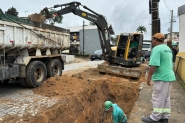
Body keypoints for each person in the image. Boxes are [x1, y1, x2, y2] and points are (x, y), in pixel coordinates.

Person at [142, 33, 176, 123]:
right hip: (169, 76)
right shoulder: (167, 49)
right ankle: (164, 117)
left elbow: (154, 65)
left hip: (162, 77)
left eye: (153, 39)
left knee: (158, 98)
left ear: (156, 40)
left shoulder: (156, 49)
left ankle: (155, 118)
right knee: (165, 98)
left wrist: (149, 77)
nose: (152, 41)